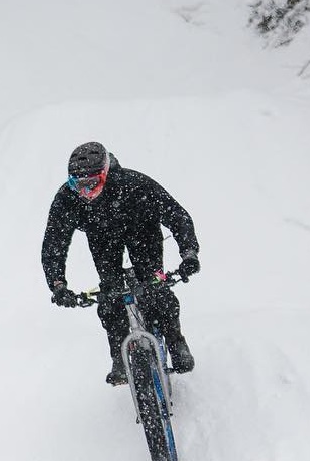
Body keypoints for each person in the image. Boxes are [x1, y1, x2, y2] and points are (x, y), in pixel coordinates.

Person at [41, 141, 201, 386]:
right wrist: (57, 283)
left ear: (105, 174)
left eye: (92, 183)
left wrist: (188, 253)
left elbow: (176, 215)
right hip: (103, 239)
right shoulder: (67, 198)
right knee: (111, 294)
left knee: (154, 286)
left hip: (142, 232)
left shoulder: (135, 184)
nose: (85, 191)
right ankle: (119, 355)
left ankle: (175, 340)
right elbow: (54, 242)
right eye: (78, 185)